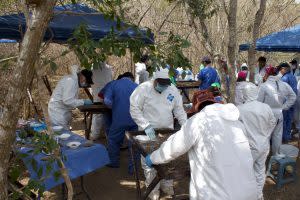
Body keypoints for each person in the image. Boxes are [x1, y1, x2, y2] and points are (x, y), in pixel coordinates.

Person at [144, 91, 258, 200]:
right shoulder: (236, 122)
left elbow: (174, 147)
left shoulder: (198, 121)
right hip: (247, 191)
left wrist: (153, 158)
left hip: (216, 195)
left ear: (197, 108)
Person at [130, 67, 187, 200]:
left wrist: (186, 126)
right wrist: (145, 125)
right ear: (154, 80)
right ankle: (152, 188)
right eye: (160, 83)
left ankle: (167, 185)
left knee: (168, 160)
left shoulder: (172, 89)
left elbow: (179, 110)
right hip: (147, 132)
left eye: (165, 84)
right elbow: (134, 109)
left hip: (166, 132)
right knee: (149, 163)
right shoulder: (143, 89)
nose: (162, 87)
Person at [237, 84, 276, 200]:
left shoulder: (240, 109)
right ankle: (258, 196)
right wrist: (266, 135)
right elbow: (273, 122)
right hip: (264, 144)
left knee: (244, 171)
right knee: (260, 171)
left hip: (248, 147)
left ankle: (246, 195)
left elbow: (236, 128)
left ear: (245, 94)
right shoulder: (266, 107)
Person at [257, 66, 296, 155]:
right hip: (279, 114)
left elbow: (259, 102)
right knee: (277, 137)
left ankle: (263, 157)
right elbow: (293, 96)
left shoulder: (264, 86)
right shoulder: (283, 84)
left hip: (267, 114)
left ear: (267, 74)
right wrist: (284, 107)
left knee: (265, 137)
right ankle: (276, 157)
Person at [103, 72, 138, 171]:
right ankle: (133, 168)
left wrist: (115, 107)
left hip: (119, 118)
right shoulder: (137, 86)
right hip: (135, 119)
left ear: (121, 77)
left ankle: (114, 162)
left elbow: (106, 101)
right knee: (135, 142)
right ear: (131, 78)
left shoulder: (113, 84)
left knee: (113, 140)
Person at [48, 65, 93, 129]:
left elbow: (70, 98)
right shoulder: (71, 81)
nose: (85, 84)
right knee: (61, 134)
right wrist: (83, 101)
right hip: (58, 112)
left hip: (63, 111)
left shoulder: (73, 80)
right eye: (86, 81)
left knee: (65, 133)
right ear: (83, 77)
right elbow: (67, 101)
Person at [90, 62, 113, 140]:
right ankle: (107, 135)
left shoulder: (92, 69)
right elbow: (111, 80)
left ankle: (95, 135)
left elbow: (91, 82)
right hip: (107, 95)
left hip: (98, 96)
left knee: (97, 115)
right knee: (107, 114)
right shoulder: (109, 69)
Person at [277, 62, 298, 142]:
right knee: (289, 120)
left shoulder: (284, 78)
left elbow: (282, 91)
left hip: (286, 102)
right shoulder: (292, 76)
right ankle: (288, 136)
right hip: (293, 102)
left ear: (284, 69)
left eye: (280, 69)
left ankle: (284, 137)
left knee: (284, 120)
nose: (280, 71)